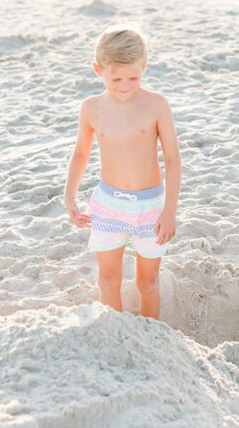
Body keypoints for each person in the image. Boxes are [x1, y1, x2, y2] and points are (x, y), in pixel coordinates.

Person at [64, 26, 180, 319]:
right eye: (115, 78)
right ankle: (114, 334)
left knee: (148, 282)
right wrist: (70, 195)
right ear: (98, 70)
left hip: (151, 206)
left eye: (134, 77)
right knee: (107, 280)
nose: (126, 85)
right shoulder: (91, 108)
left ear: (145, 67)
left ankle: (152, 334)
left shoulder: (156, 105)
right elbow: (81, 153)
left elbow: (173, 159)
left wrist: (169, 210)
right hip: (108, 204)